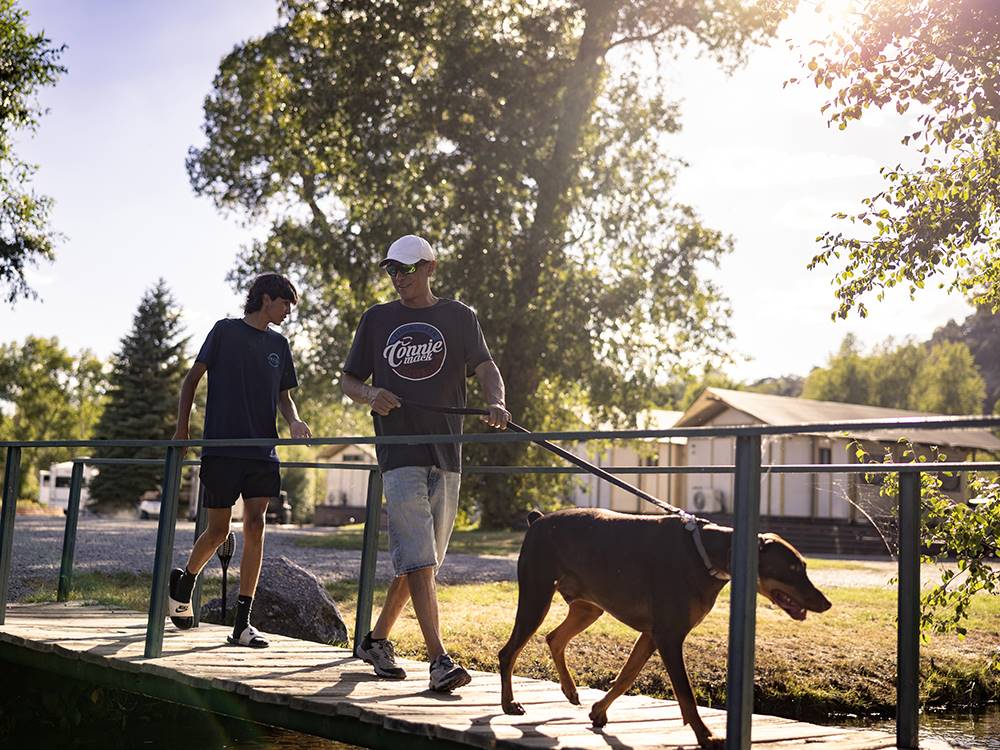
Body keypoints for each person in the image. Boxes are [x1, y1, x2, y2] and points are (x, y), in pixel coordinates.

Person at [341, 234, 509, 692]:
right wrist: (370, 394)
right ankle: (439, 660)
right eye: (392, 269)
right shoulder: (376, 319)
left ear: (430, 267)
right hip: (399, 453)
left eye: (407, 269)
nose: (398, 277)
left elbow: (486, 366)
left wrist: (497, 401)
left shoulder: (459, 316)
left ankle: (375, 641)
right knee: (418, 556)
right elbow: (349, 379)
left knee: (424, 562)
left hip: (447, 454)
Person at [167, 272, 311, 648]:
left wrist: (294, 421)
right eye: (285, 305)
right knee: (218, 531)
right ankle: (186, 580)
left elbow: (284, 396)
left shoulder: (280, 344)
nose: (286, 313)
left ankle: (242, 624)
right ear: (267, 299)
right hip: (221, 448)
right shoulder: (224, 331)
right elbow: (191, 380)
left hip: (262, 451)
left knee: (256, 526)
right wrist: (182, 430)